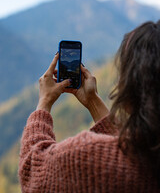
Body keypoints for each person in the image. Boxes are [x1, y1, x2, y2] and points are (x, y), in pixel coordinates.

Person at [19, 20, 160, 193]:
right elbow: (130, 146)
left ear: (133, 86)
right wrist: (92, 101)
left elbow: (33, 173)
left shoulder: (87, 156)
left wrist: (44, 101)